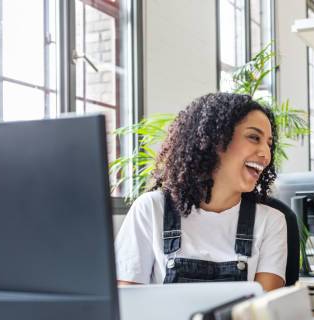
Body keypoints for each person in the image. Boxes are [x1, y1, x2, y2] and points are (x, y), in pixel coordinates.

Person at [115, 93, 287, 291]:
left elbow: (262, 314)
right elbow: (129, 306)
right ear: (214, 139)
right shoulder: (150, 209)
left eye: (269, 144)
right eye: (254, 137)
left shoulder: (271, 222)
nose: (266, 154)